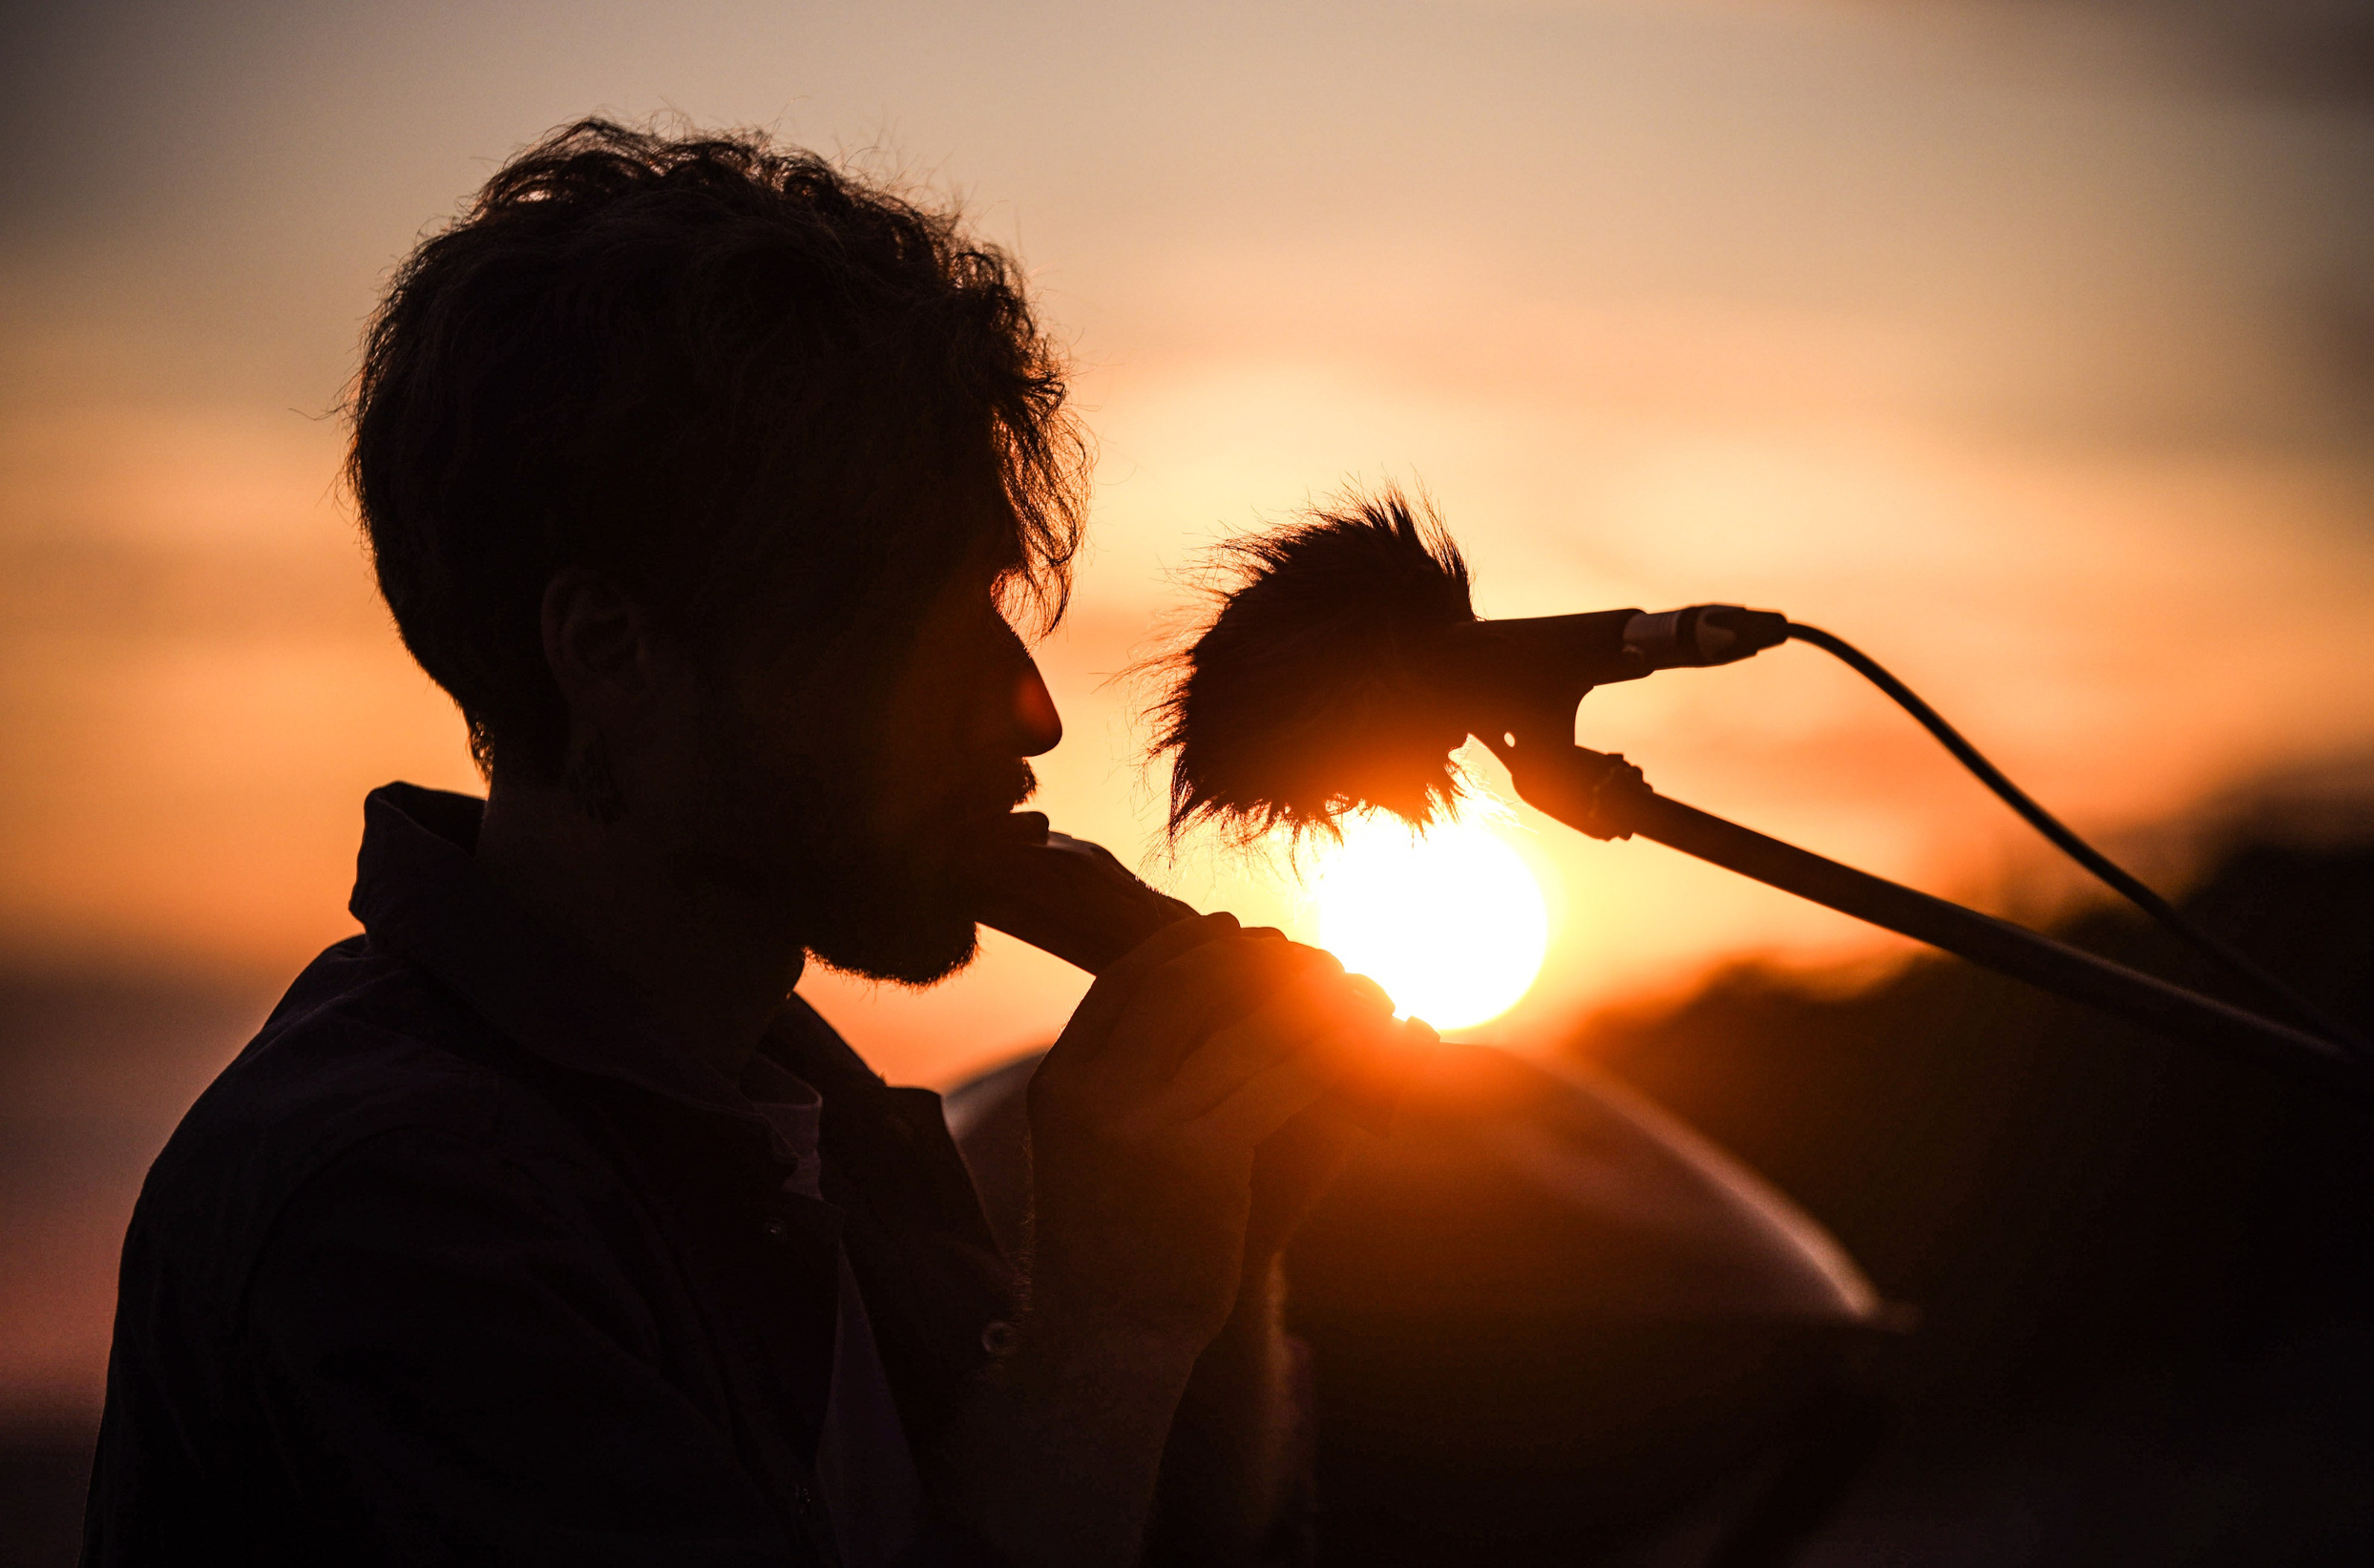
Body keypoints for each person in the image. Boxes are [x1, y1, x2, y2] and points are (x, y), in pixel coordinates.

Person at [81, 118, 1413, 1568]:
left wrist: (1218, 1279)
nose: (1029, 714)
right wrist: (1107, 1321)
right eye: (907, 628)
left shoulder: (800, 1118)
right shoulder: (400, 1215)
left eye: (995, 601)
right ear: (613, 655)